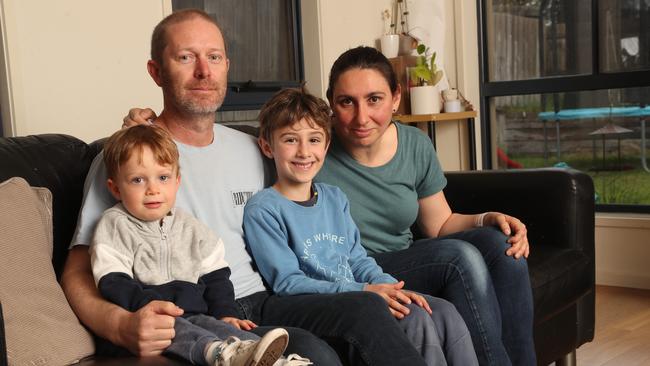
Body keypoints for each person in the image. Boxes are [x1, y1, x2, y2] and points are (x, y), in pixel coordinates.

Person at [63, 9, 427, 366]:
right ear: (156, 72)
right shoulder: (131, 160)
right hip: (201, 311)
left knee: (369, 309)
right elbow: (78, 271)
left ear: (227, 66)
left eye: (214, 57)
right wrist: (120, 325)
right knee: (317, 356)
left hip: (268, 298)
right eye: (186, 57)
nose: (204, 71)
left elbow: (310, 172)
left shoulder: (253, 149)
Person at [313, 46, 537, 366]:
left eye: (374, 99)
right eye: (347, 101)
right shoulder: (314, 148)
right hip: (351, 269)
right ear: (332, 103)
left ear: (395, 98)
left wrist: (489, 218)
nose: (361, 117)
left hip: (402, 261)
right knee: (457, 257)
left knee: (503, 244)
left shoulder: (415, 144)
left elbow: (439, 225)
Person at [242, 87, 479, 366]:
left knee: (441, 310)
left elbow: (356, 257)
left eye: (314, 140)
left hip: (359, 291)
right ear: (268, 146)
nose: (304, 152)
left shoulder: (334, 197)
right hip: (326, 303)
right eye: (291, 140)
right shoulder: (264, 209)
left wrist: (391, 287)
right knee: (415, 319)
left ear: (326, 146)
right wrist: (363, 290)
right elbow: (288, 282)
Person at [90, 124, 308, 365]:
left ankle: (274, 360)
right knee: (185, 331)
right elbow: (112, 281)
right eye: (138, 180)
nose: (152, 190)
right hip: (148, 320)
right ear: (116, 188)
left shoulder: (190, 226)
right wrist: (148, 307)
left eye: (163, 178)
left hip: (195, 314)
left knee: (223, 329)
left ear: (176, 182)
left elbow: (216, 276)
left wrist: (226, 314)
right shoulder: (115, 224)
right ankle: (217, 354)